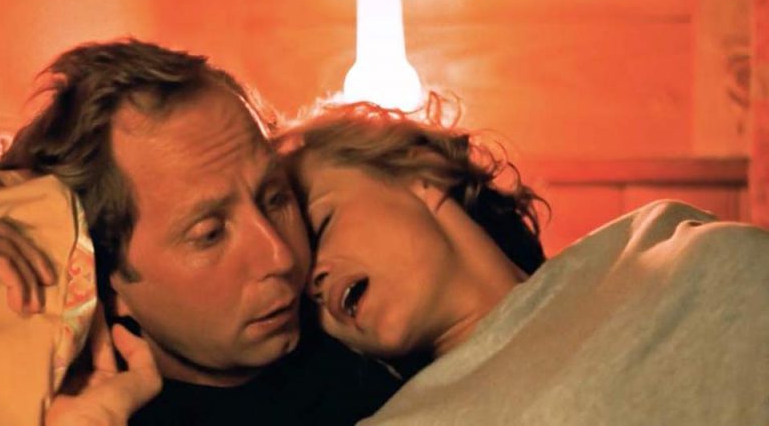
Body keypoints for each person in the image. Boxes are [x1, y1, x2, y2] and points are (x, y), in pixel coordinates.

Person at [0, 41, 400, 426]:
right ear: (108, 276)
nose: (279, 256)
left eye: (275, 198)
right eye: (210, 233)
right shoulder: (97, 411)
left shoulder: (366, 327)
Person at [277, 102, 769, 425]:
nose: (314, 281)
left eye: (322, 226)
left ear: (417, 172)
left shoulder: (659, 239)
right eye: (303, 296)